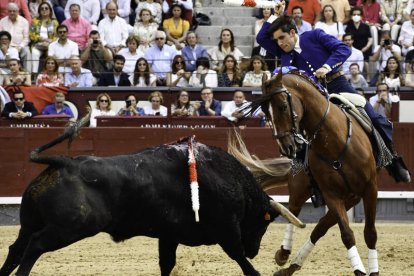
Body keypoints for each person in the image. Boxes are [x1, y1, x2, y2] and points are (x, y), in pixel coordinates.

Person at [257, 15, 411, 182]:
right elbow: (261, 38)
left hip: (337, 84)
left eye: (282, 37)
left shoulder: (314, 35)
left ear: (293, 33)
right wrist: (274, 15)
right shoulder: (283, 50)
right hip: (311, 98)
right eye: (277, 40)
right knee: (295, 130)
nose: (279, 43)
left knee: (373, 117)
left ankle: (392, 159)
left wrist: (326, 66)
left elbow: (344, 49)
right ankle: (308, 179)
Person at [29, 2, 59, 74]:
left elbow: (57, 36)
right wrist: (42, 39)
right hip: (38, 44)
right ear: (39, 11)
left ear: (50, 10)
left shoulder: (54, 22)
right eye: (42, 9)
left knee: (51, 54)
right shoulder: (35, 21)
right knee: (34, 53)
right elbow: (31, 34)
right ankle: (35, 74)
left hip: (50, 45)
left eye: (46, 8)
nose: (44, 10)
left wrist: (50, 42)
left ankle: (51, 73)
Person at [0, 3, 31, 73]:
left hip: (20, 46)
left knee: (27, 52)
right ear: (7, 12)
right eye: (10, 11)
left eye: (14, 11)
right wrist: (4, 46)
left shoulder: (24, 21)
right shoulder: (2, 21)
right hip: (6, 46)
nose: (12, 13)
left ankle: (27, 73)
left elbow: (26, 38)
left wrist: (20, 47)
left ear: (18, 11)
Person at [344, 7, 373, 79]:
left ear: (361, 16)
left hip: (364, 48)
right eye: (354, 14)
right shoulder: (348, 27)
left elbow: (370, 39)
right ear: (351, 16)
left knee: (365, 60)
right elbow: (347, 39)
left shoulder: (365, 26)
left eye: (358, 14)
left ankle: (368, 76)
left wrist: (366, 47)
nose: (356, 16)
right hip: (352, 47)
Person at [252, 7, 278, 72]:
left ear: (271, 10)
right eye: (264, 9)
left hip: (270, 46)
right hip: (259, 46)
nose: (266, 10)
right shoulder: (258, 22)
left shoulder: (275, 21)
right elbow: (258, 35)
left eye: (268, 9)